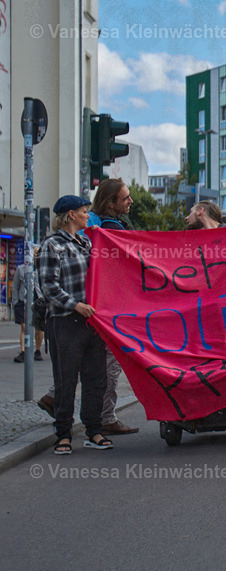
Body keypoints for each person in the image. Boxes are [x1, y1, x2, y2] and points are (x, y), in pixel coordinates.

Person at [38, 195, 113, 455]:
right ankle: (63, 434)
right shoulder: (53, 245)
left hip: (92, 321)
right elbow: (49, 286)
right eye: (83, 211)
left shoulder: (87, 243)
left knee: (96, 379)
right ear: (70, 215)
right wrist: (75, 305)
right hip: (65, 321)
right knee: (66, 380)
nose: (87, 216)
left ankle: (94, 430)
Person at [82, 177, 138, 435]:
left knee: (89, 360)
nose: (131, 201)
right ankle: (106, 418)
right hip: (113, 306)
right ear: (111, 203)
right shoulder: (113, 229)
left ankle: (53, 396)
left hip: (96, 303)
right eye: (125, 198)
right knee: (110, 364)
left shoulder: (95, 226)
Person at [12, 249, 45, 362]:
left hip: (38, 301)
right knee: (23, 326)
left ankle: (37, 350)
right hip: (23, 301)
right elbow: (15, 286)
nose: (35, 256)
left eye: (37, 254)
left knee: (38, 329)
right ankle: (23, 351)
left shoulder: (43, 269)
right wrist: (15, 302)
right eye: (34, 253)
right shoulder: (21, 269)